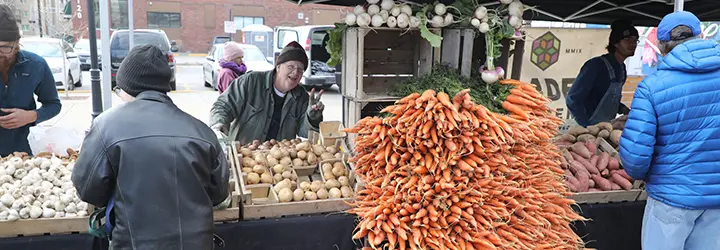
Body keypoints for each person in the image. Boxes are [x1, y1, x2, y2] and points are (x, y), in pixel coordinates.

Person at [72, 45, 229, 250]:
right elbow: (218, 194)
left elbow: (88, 191)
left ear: (128, 87)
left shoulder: (106, 126)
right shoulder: (202, 133)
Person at [619, 11, 720, 250]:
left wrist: (643, 175)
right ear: (701, 35)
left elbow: (635, 155)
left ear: (662, 46)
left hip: (670, 199)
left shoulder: (652, 87)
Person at [210, 41, 324, 145]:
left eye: (300, 69)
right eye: (291, 66)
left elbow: (305, 133)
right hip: (244, 157)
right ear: (278, 67)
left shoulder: (302, 97)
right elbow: (223, 106)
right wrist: (219, 124)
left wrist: (312, 118)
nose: (295, 72)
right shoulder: (250, 82)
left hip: (279, 162)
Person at [0, 4, 61, 156]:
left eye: (4, 48)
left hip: (25, 154)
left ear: (17, 43)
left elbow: (53, 104)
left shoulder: (36, 65)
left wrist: (31, 116)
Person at [566, 20, 638, 126]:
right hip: (587, 131)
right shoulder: (595, 66)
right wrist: (587, 126)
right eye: (628, 40)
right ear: (615, 43)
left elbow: (606, 100)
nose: (633, 44)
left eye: (636, 40)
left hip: (605, 128)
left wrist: (623, 109)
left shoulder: (622, 69)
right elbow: (572, 99)